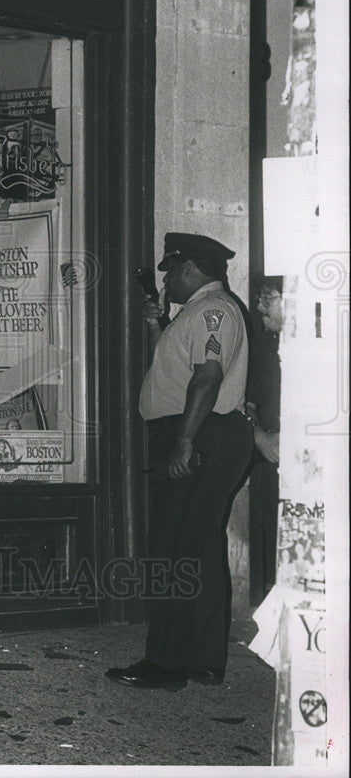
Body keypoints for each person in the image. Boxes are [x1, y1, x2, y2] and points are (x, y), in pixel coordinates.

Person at [106, 232, 254, 691]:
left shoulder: (213, 310)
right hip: (209, 435)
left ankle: (165, 665)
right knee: (201, 550)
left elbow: (207, 379)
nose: (166, 280)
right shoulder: (201, 312)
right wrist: (158, 325)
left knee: (171, 552)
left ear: (190, 269)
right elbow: (180, 366)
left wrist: (185, 441)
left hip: (200, 433)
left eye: (171, 271)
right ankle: (203, 660)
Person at [246, 276, 282, 605]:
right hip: (269, 459)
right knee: (273, 537)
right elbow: (249, 401)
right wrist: (260, 436)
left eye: (266, 298)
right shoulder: (262, 346)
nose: (258, 306)